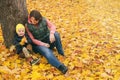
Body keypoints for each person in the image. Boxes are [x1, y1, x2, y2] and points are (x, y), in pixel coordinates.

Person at [25, 10, 68, 74]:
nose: (33, 22)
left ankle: (61, 53)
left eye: (35, 21)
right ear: (30, 17)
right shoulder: (27, 25)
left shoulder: (44, 20)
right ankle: (60, 67)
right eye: (32, 19)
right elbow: (33, 39)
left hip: (48, 40)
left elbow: (52, 26)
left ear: (39, 19)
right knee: (47, 52)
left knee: (56, 34)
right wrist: (43, 44)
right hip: (38, 44)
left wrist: (51, 34)